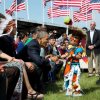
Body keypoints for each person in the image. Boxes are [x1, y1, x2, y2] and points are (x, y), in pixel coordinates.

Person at [61, 26, 87, 97]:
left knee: (74, 80)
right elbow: (66, 54)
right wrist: (58, 57)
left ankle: (77, 92)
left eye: (71, 40)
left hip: (75, 67)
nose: (70, 41)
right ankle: (69, 92)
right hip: (69, 66)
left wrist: (72, 55)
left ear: (76, 41)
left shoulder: (79, 49)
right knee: (69, 79)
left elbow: (79, 56)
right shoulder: (71, 47)